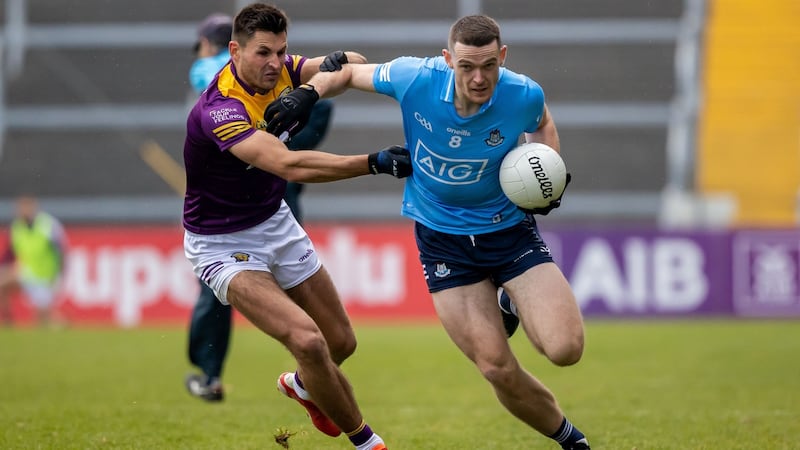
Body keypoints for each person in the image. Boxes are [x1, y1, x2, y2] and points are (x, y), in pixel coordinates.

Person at [266, 14, 590, 450]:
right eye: (466, 66)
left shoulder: (523, 93)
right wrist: (309, 92)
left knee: (565, 349)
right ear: (447, 59)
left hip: (508, 233)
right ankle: (573, 442)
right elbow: (346, 70)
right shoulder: (414, 77)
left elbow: (543, 121)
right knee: (495, 366)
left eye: (489, 65)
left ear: (503, 58)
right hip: (444, 242)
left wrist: (548, 170)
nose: (479, 78)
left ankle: (506, 297)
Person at [181, 4, 410, 449]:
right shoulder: (219, 109)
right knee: (308, 341)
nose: (274, 63)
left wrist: (310, 90)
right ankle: (367, 441)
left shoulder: (286, 70)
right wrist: (372, 163)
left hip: (273, 222)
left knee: (340, 342)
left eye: (281, 52)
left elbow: (353, 65)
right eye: (263, 53)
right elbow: (288, 164)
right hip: (220, 244)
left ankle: (304, 387)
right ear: (235, 50)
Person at [183, 12, 336, 403]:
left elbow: (218, 118)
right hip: (280, 182)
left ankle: (210, 374)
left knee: (216, 293)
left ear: (215, 44)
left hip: (247, 185)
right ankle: (310, 368)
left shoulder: (209, 70)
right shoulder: (280, 65)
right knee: (298, 286)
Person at [0, 195, 67, 327]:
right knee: (2, 284)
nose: (24, 211)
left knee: (44, 320)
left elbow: (61, 252)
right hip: (26, 274)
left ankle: (63, 324)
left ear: (34, 208)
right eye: (21, 208)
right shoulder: (16, 227)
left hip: (44, 278)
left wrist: (59, 275)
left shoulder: (48, 225)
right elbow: (9, 254)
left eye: (27, 208)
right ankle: (7, 323)